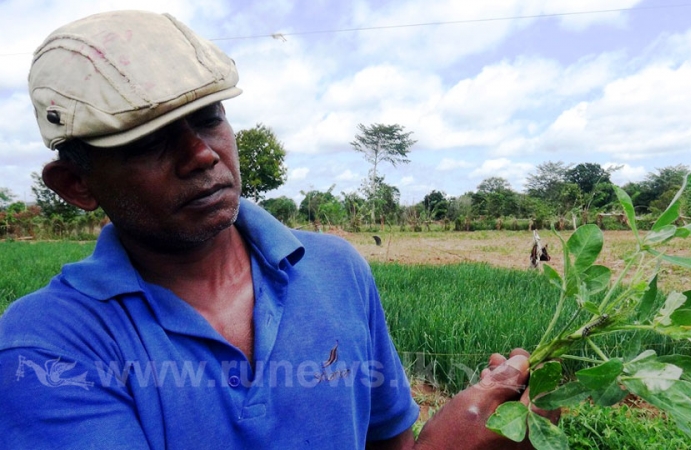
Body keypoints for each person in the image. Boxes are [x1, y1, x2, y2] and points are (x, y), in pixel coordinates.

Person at [0, 10, 555, 449]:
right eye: (148, 141)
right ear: (76, 183)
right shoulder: (47, 347)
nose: (201, 154)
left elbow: (387, 441)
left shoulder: (338, 270)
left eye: (209, 117)